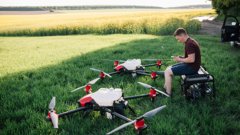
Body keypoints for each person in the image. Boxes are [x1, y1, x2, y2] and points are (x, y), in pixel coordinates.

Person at [164, 28, 201, 96]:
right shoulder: (190, 41)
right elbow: (190, 58)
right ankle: (165, 88)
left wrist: (180, 60)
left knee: (167, 72)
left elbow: (191, 60)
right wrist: (180, 57)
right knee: (168, 68)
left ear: (182, 35)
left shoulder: (189, 44)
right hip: (192, 65)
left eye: (178, 39)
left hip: (192, 68)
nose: (178, 41)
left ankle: (168, 94)